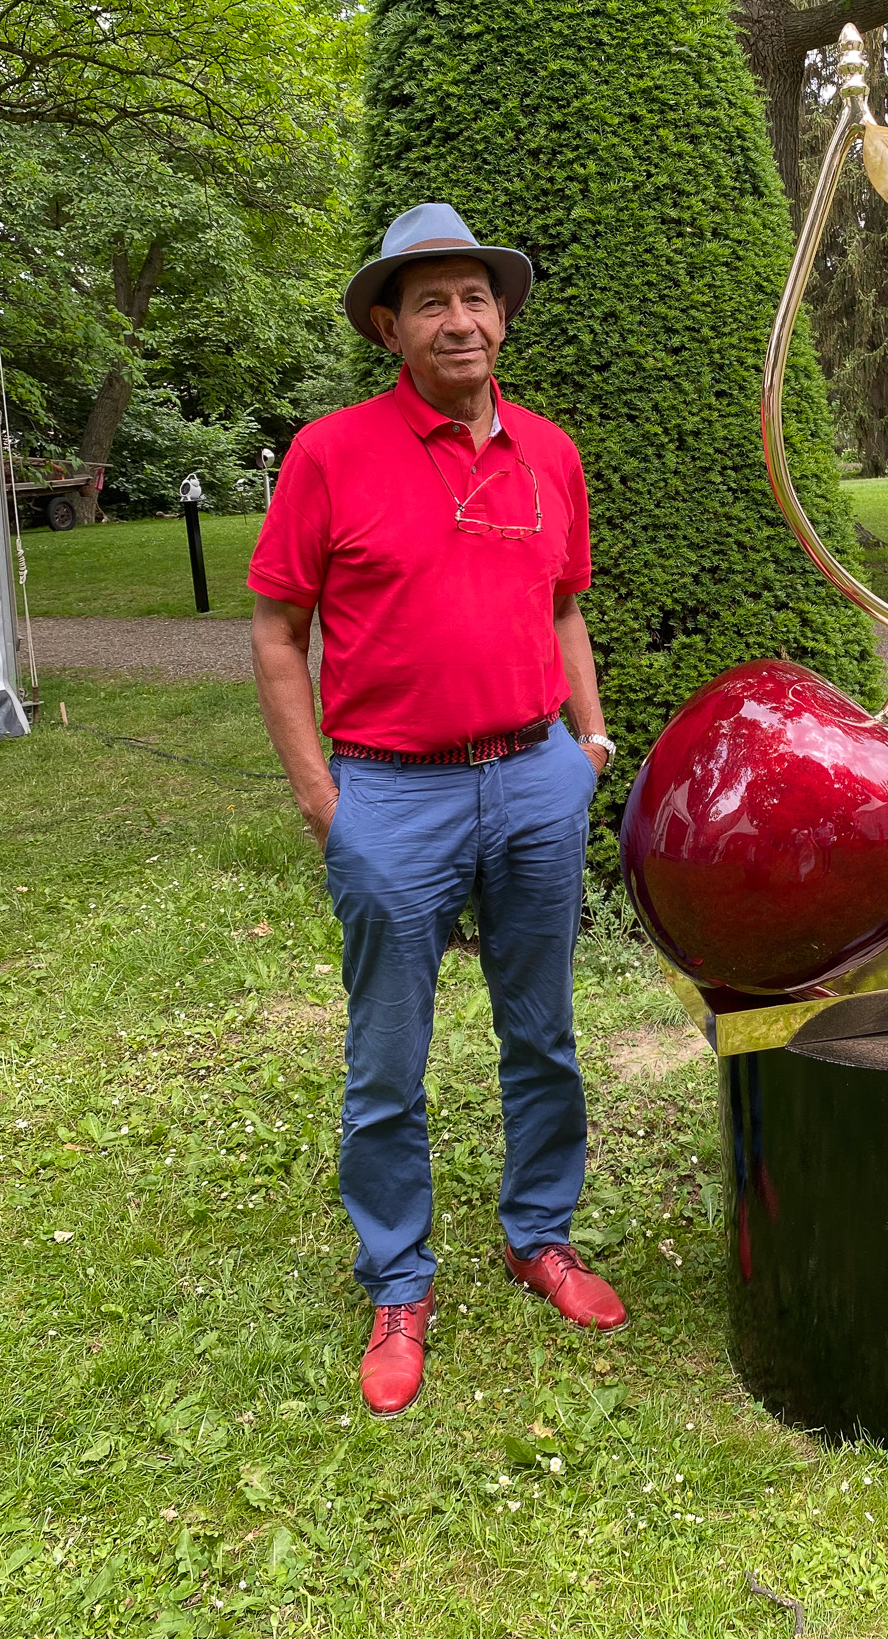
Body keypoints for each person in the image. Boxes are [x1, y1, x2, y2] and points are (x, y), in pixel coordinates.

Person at [248, 202, 625, 1421]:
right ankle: (399, 1282)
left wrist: (588, 743)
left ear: (501, 316)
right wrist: (324, 800)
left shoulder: (550, 452)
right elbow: (277, 629)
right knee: (386, 1060)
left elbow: (564, 605)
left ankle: (539, 1233)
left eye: (475, 297)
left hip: (533, 781)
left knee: (543, 1031)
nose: (459, 320)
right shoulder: (330, 454)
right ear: (389, 328)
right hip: (392, 793)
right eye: (430, 302)